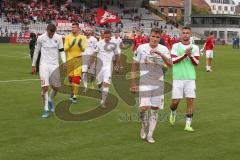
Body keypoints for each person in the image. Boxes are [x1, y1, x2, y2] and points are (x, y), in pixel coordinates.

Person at [130, 28, 172, 143]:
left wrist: (160, 54)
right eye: (153, 36)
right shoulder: (141, 48)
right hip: (144, 82)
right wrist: (133, 83)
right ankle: (144, 125)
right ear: (149, 36)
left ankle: (150, 134)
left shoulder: (164, 49)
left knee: (154, 109)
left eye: (157, 37)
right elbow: (134, 65)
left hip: (158, 83)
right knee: (143, 108)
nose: (155, 39)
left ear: (160, 38)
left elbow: (170, 64)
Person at [31, 23, 66, 118]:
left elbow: (62, 51)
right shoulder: (41, 38)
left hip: (55, 65)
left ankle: (50, 99)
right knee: (45, 87)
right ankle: (46, 109)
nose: (51, 35)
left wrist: (65, 61)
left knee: (56, 88)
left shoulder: (58, 38)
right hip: (44, 65)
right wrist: (33, 65)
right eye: (49, 33)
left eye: (52, 34)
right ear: (47, 30)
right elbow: (36, 52)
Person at [169, 26, 200, 132]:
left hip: (190, 78)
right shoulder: (175, 46)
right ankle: (173, 112)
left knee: (190, 100)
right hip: (178, 78)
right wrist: (185, 54)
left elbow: (196, 63)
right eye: (184, 33)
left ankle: (188, 125)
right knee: (175, 102)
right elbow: (173, 60)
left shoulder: (195, 47)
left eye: (187, 33)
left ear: (190, 34)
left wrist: (190, 55)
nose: (185, 34)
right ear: (181, 34)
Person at [88, 30, 120, 108]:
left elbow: (117, 55)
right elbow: (93, 54)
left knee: (106, 84)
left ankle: (103, 101)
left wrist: (117, 66)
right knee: (99, 84)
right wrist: (90, 64)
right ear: (103, 36)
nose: (107, 38)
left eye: (108, 37)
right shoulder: (99, 44)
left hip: (108, 67)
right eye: (106, 37)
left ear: (110, 37)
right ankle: (100, 89)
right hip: (99, 67)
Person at [64, 22, 86, 103]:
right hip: (70, 60)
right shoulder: (68, 37)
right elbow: (65, 48)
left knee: (76, 78)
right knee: (70, 79)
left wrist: (79, 45)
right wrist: (71, 45)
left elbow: (83, 49)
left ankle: (75, 96)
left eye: (74, 27)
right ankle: (72, 92)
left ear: (78, 28)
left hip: (78, 59)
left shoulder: (82, 38)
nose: (73, 29)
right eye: (72, 27)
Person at [82, 28, 98, 92]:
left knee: (91, 73)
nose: (87, 31)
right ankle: (85, 87)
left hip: (91, 58)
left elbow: (96, 50)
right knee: (84, 73)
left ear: (91, 31)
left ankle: (91, 83)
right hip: (84, 58)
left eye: (88, 30)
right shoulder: (82, 38)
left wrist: (94, 58)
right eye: (86, 30)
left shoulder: (94, 39)